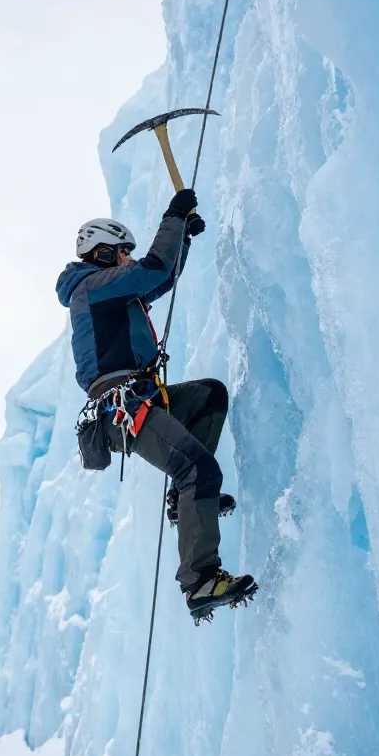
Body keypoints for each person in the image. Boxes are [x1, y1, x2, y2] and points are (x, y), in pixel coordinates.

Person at [56, 188, 256, 623]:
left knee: (209, 396)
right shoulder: (90, 287)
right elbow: (152, 269)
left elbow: (160, 278)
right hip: (122, 406)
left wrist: (181, 238)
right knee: (198, 470)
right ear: (102, 254)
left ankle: (179, 502)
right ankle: (201, 580)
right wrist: (174, 216)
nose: (127, 259)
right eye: (121, 252)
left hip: (141, 398)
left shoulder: (107, 292)